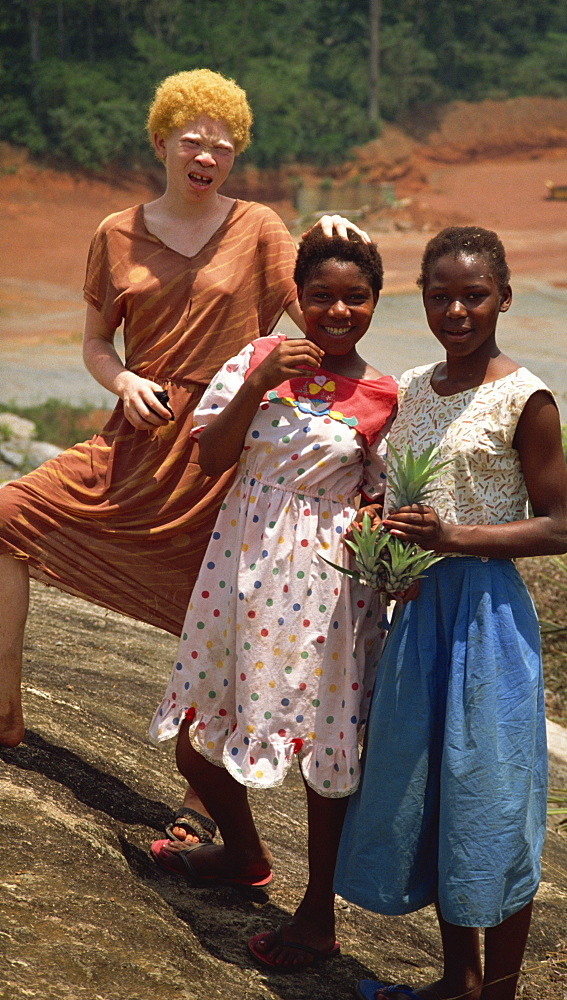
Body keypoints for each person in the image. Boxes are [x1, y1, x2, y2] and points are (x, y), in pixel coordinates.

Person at [0, 67, 366, 844]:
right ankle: (3, 706)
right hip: (135, 437)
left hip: (224, 455)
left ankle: (205, 808)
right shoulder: (114, 233)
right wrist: (124, 378)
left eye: (224, 147)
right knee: (8, 514)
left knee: (221, 625)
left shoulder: (262, 228)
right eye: (194, 141)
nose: (208, 155)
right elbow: (98, 345)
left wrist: (332, 241)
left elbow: (327, 324)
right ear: (161, 141)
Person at [333, 226, 567, 1000]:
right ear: (424, 299)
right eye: (441, 296)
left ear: (504, 296)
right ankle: (458, 981)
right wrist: (385, 534)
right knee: (437, 792)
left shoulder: (525, 396)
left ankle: (497, 991)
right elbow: (400, 493)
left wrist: (455, 535)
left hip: (489, 616)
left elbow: (558, 526)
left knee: (492, 802)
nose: (457, 310)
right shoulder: (410, 388)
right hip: (421, 611)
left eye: (474, 295)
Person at [147, 227, 397, 970]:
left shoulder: (387, 394)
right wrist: (260, 381)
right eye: (321, 296)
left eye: (356, 297)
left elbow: (382, 494)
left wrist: (378, 529)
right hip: (239, 565)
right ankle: (245, 857)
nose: (338, 310)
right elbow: (209, 456)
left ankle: (317, 916)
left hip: (324, 587)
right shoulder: (256, 357)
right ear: (298, 299)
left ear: (377, 302)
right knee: (200, 737)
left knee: (323, 752)